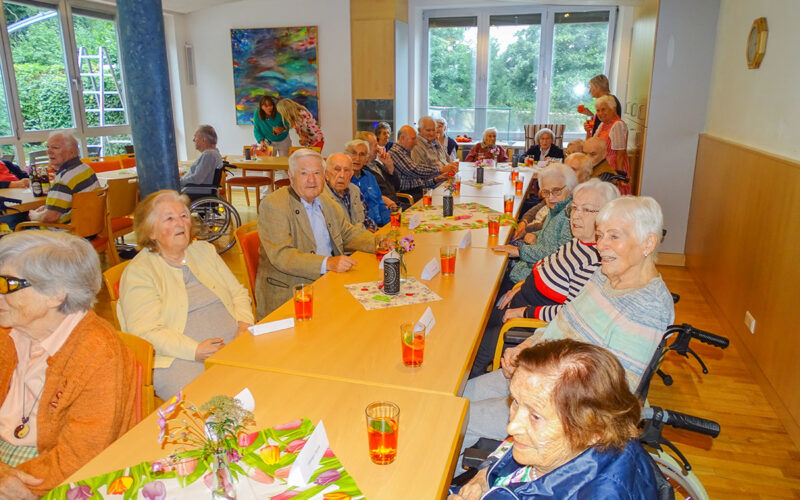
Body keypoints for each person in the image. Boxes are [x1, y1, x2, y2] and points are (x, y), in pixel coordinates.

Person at [462, 196, 674, 455]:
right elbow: (563, 320)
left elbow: (616, 390)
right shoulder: (604, 275)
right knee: (456, 398)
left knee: (459, 421)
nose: (601, 246)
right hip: (542, 374)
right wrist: (529, 345)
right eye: (600, 235)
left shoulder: (646, 308)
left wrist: (540, 381)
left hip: (566, 409)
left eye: (613, 237)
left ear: (648, 243)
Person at [0, 231, 137, 498]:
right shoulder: (9, 329)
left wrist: (10, 482)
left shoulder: (99, 355)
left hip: (50, 472)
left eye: (9, 285)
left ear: (55, 294)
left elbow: (77, 458)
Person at [451, 340, 660, 499]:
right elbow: (506, 453)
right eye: (515, 401)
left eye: (535, 416)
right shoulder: (555, 450)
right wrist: (483, 478)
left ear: (592, 431)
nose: (512, 426)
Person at [470, 179, 619, 377]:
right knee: (472, 320)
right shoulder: (579, 243)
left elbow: (569, 314)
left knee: (474, 350)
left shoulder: (595, 262)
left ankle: (464, 395)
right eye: (574, 208)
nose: (575, 216)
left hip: (530, 324)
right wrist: (519, 287)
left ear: (607, 216)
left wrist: (524, 312)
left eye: (586, 210)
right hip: (521, 299)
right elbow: (545, 267)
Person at [118, 190, 254, 398]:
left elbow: (238, 293)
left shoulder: (203, 251)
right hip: (179, 358)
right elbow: (145, 331)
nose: (180, 223)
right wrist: (196, 350)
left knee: (274, 380)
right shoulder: (140, 272)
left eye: (183, 216)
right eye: (169, 219)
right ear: (150, 232)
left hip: (235, 343)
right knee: (215, 405)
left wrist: (244, 324)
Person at [255, 149, 374, 318]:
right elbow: (283, 255)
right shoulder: (274, 205)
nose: (311, 180)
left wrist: (379, 242)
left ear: (324, 175)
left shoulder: (326, 202)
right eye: (304, 173)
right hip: (291, 293)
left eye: (316, 173)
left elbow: (347, 233)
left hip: (328, 282)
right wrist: (328, 263)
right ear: (291, 176)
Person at [494, 164, 578, 283]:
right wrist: (535, 234)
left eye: (556, 191)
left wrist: (519, 251)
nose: (550, 197)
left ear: (570, 188)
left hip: (540, 277)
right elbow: (550, 233)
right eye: (545, 192)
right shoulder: (557, 207)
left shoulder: (571, 214)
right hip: (530, 268)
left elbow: (562, 253)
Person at [28, 133, 100, 223]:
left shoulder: (64, 179)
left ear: (72, 152)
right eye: (48, 147)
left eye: (55, 148)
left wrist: (34, 215)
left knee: (18, 226)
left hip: (67, 234)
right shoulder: (86, 169)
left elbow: (51, 217)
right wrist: (47, 208)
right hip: (91, 228)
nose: (49, 151)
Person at [389, 125, 454, 201]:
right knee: (444, 200)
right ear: (402, 138)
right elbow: (414, 170)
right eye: (413, 139)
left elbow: (418, 181)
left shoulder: (405, 152)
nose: (416, 143)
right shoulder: (395, 152)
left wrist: (436, 179)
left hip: (418, 191)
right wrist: (441, 169)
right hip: (408, 196)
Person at [323, 153, 374, 231]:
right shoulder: (322, 197)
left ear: (351, 175)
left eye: (346, 170)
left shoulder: (355, 191)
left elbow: (366, 219)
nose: (342, 175)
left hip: (361, 239)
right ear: (326, 174)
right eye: (337, 169)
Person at [346, 139, 390, 226]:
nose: (357, 158)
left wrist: (389, 223)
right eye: (354, 153)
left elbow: (381, 204)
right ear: (346, 156)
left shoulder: (370, 176)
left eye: (362, 154)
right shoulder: (344, 181)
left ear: (366, 159)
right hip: (365, 228)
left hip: (380, 224)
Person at [593, 94, 630, 193]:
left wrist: (619, 175)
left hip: (612, 169)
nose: (600, 113)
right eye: (598, 110)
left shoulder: (617, 125)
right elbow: (592, 144)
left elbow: (620, 154)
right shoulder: (603, 124)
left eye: (604, 109)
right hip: (602, 168)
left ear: (613, 108)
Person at [356, 131, 400, 211]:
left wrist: (390, 166)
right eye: (375, 145)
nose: (378, 148)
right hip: (385, 209)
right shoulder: (362, 171)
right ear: (366, 148)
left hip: (396, 205)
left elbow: (397, 186)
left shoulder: (377, 164)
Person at [179, 125, 222, 190]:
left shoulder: (208, 154)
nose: (193, 140)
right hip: (195, 188)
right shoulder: (214, 153)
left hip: (195, 190)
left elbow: (197, 179)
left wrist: (179, 181)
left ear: (203, 140)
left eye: (195, 137)